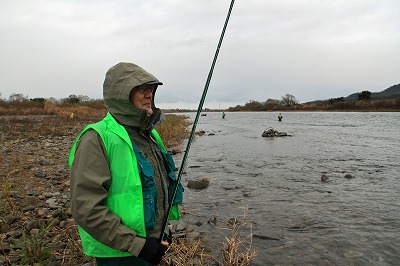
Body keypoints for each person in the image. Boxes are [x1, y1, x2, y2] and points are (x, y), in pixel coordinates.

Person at [68, 62, 183, 266]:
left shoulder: (151, 134)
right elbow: (86, 208)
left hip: (151, 245)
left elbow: (157, 187)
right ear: (121, 93)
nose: (149, 94)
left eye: (151, 88)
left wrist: (163, 229)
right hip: (119, 255)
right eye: (141, 88)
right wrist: (136, 244)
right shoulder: (96, 138)